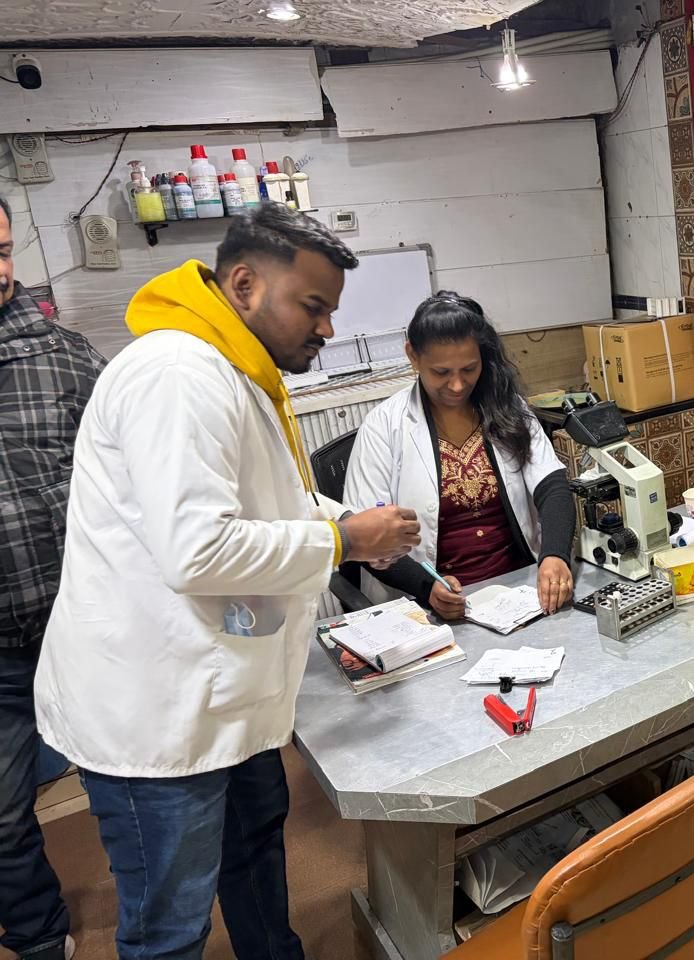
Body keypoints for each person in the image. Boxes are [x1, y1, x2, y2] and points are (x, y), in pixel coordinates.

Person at [33, 203, 421, 960]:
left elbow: (272, 501)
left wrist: (352, 524)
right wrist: (344, 539)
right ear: (244, 284)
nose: (328, 328)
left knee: (254, 864)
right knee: (171, 925)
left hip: (227, 696)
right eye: (314, 306)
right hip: (159, 717)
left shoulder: (235, 370)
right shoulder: (177, 375)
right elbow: (197, 549)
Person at [0, 193, 103, 960]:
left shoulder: (63, 357)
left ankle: (156, 926)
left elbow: (126, 485)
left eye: (3, 251)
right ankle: (40, 939)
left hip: (83, 629)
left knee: (132, 790)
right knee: (2, 817)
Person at [344, 292, 576, 617]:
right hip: (431, 604)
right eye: (441, 372)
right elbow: (367, 536)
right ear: (412, 356)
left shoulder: (506, 407)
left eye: (469, 368)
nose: (457, 385)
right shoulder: (384, 426)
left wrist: (554, 555)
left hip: (519, 590)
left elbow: (551, 485)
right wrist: (426, 587)